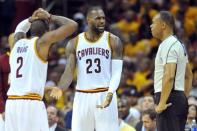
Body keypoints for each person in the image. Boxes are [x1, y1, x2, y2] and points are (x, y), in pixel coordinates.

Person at [51, 6, 123, 131]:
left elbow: (117, 73)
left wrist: (110, 93)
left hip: (105, 92)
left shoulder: (114, 40)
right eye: (98, 18)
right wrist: (60, 87)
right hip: (82, 95)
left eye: (103, 18)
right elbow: (69, 71)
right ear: (88, 20)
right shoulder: (74, 42)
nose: (102, 21)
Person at [5, 8, 78, 131]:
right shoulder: (42, 43)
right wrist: (50, 16)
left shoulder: (16, 43)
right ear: (47, 32)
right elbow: (73, 25)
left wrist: (29, 19)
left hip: (12, 103)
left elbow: (20, 29)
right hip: (31, 103)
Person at [150, 11, 193, 131]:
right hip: (177, 98)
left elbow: (169, 75)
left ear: (163, 25)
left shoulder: (168, 44)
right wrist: (183, 97)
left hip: (168, 99)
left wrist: (162, 103)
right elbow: (188, 75)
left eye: (153, 23)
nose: (151, 26)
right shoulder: (178, 44)